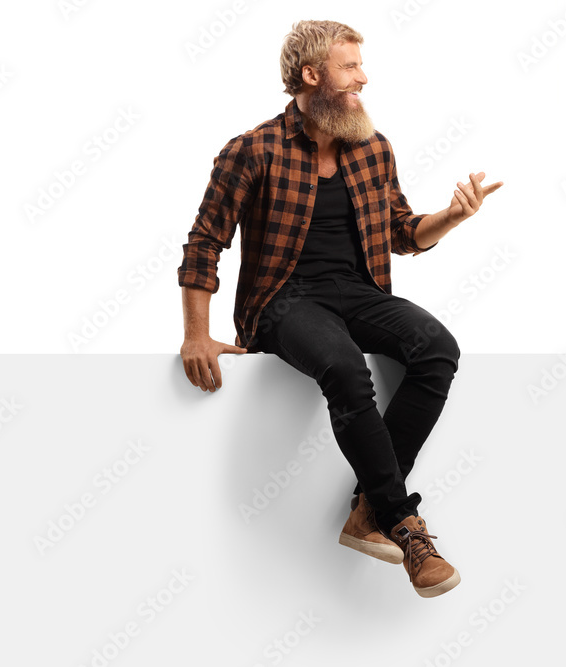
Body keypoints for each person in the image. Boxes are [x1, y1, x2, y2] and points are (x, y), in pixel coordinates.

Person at [178, 20, 502, 598]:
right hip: (282, 302)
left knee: (437, 348)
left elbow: (403, 232)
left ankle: (367, 509)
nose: (364, 77)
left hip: (358, 293)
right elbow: (205, 242)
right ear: (311, 74)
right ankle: (405, 525)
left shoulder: (372, 148)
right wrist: (196, 335)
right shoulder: (251, 150)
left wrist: (454, 216)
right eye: (351, 67)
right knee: (347, 368)